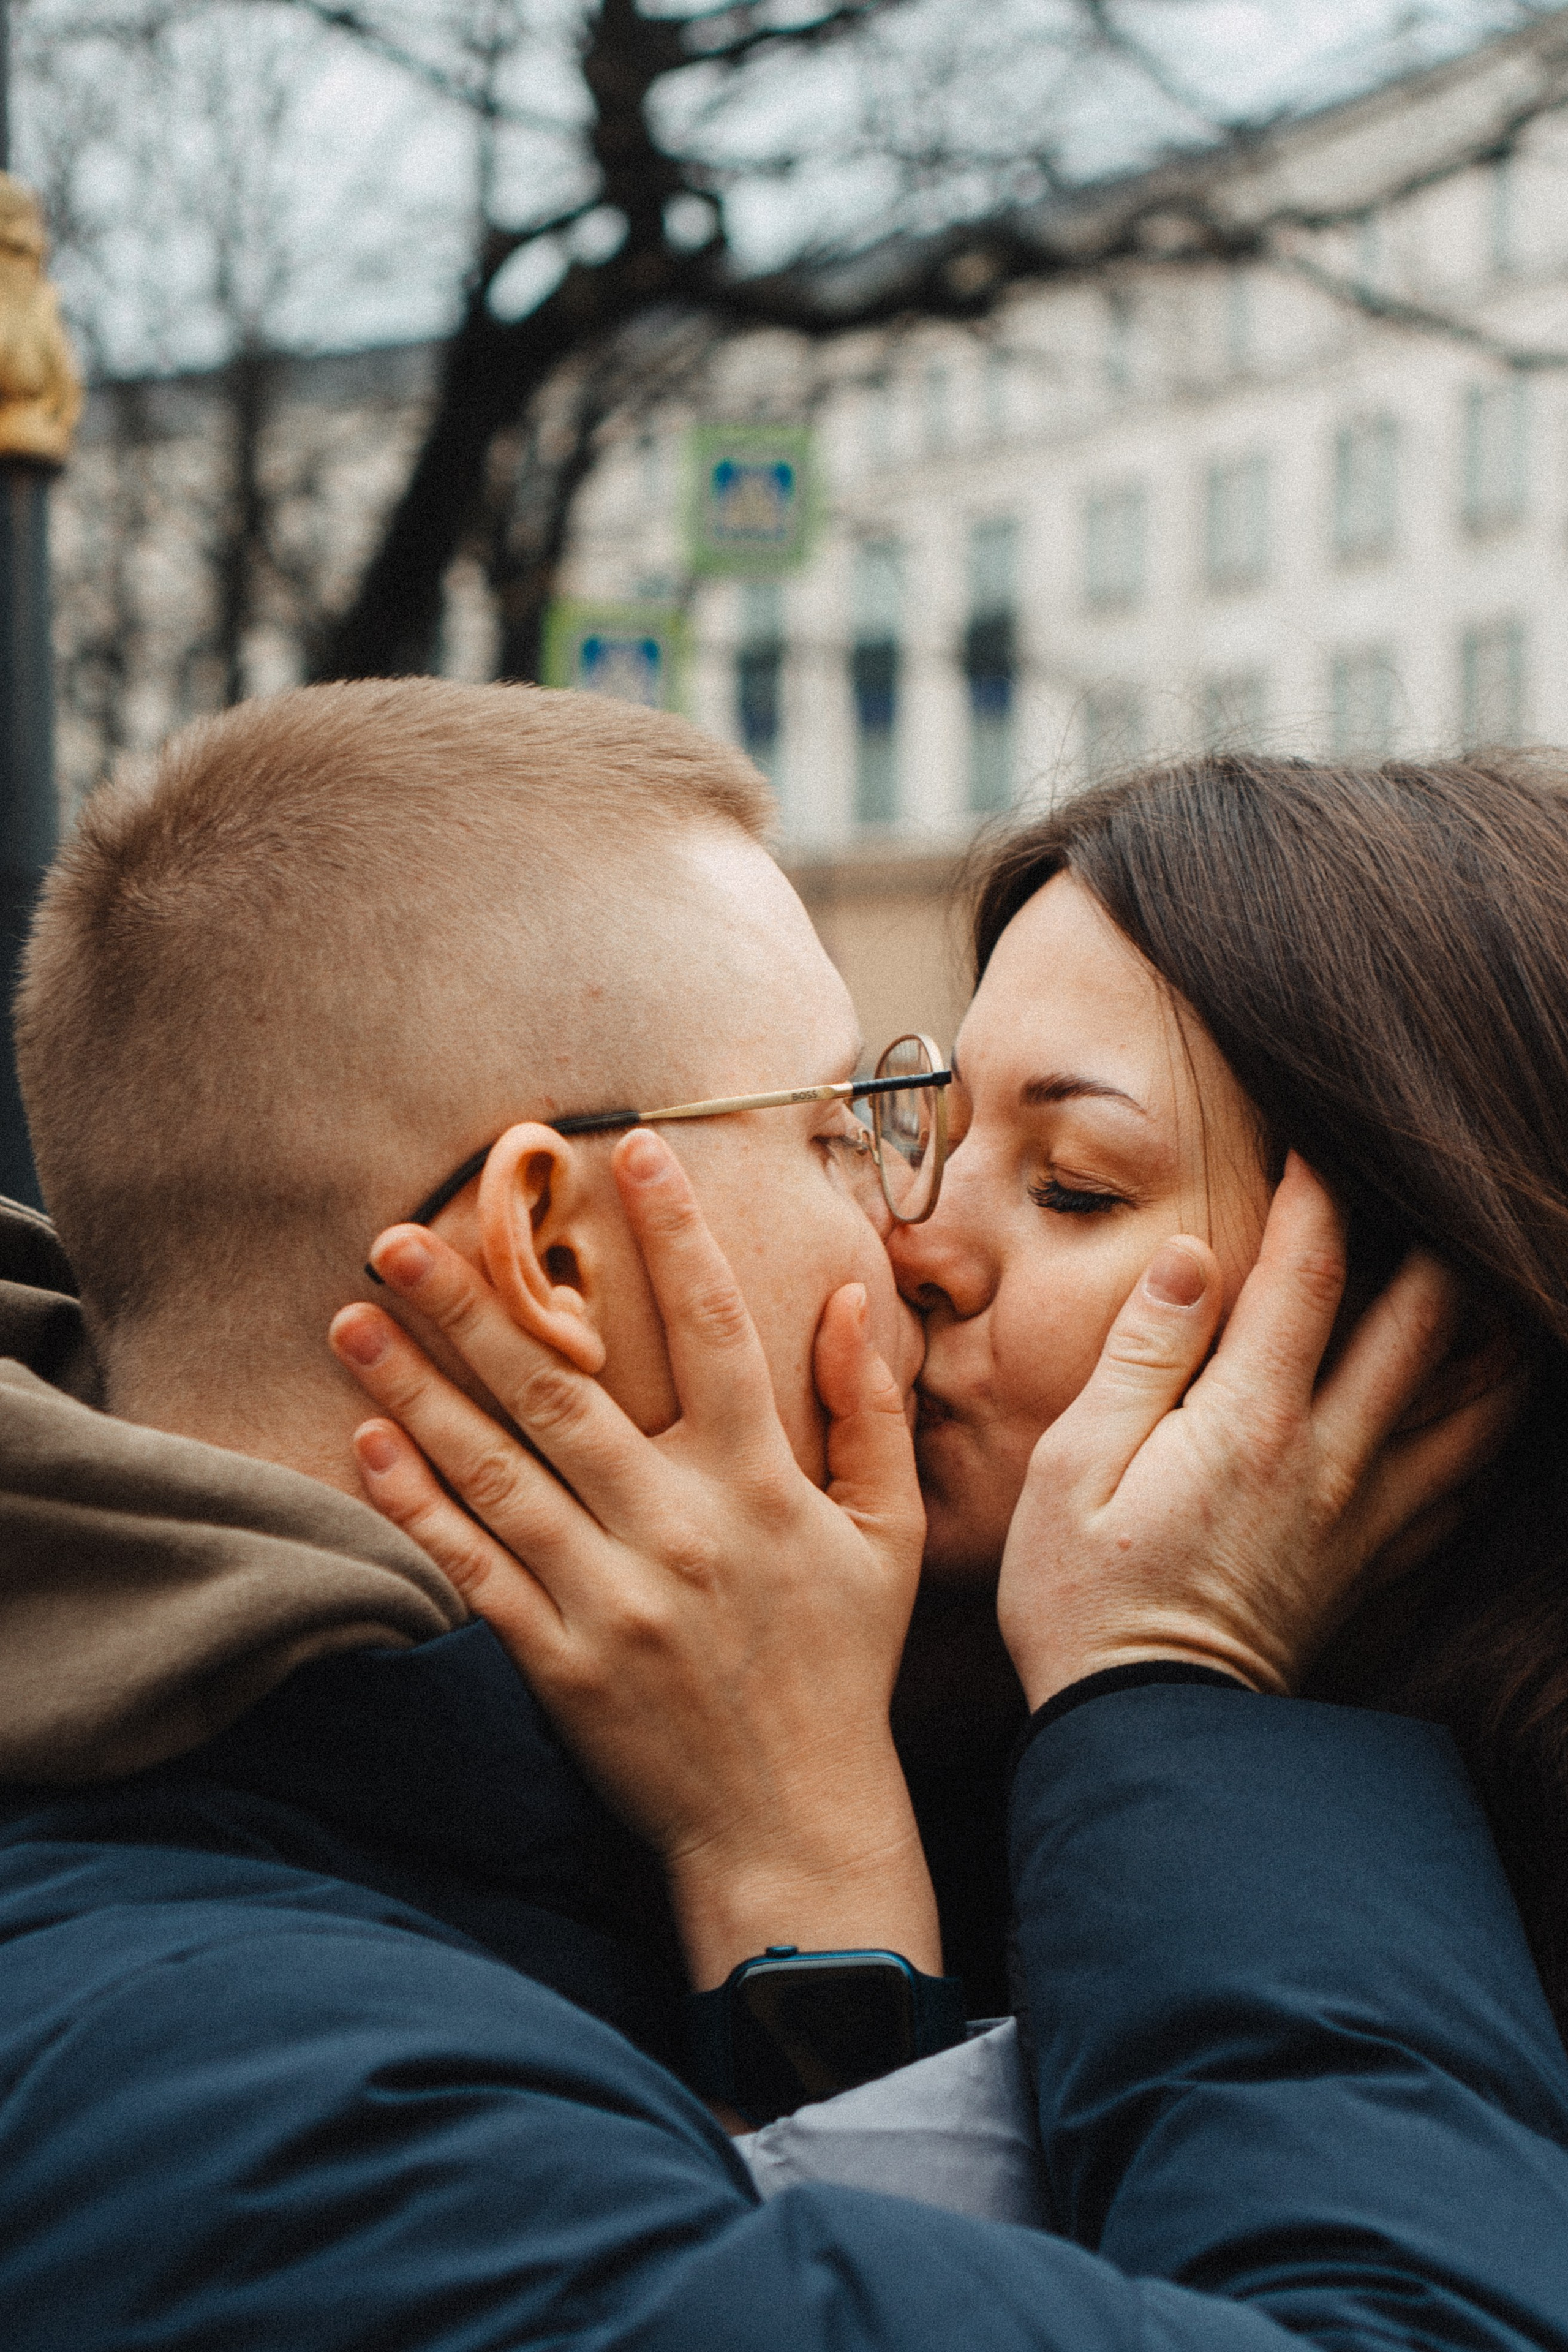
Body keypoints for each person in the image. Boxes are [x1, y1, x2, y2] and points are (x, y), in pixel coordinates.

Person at [1, 682, 1564, 2351]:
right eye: (845, 1134)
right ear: (553, 1252)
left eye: (1073, 1185)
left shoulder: (697, 1792)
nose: (913, 1238)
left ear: (1437, 1343)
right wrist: (1142, 1700)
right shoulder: (282, 2099)